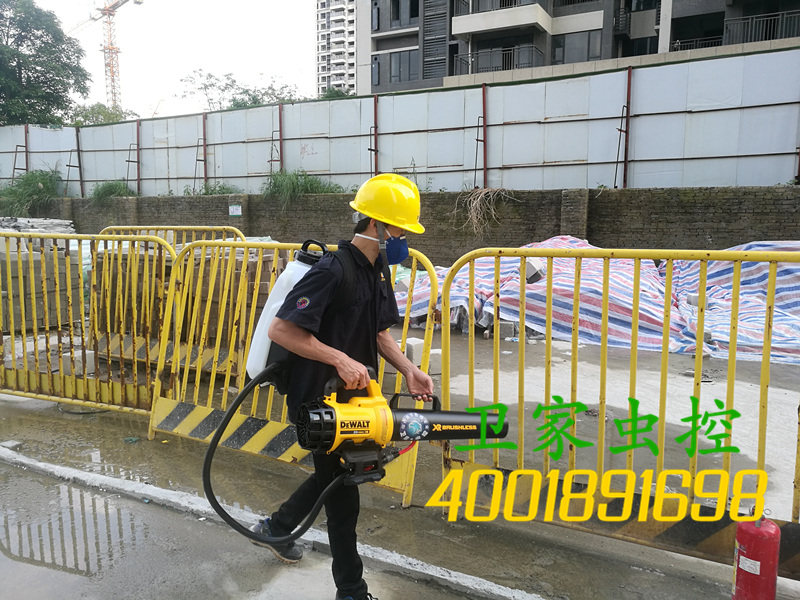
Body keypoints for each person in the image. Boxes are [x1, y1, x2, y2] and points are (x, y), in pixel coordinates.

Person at [250, 173, 434, 600]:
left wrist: (409, 369)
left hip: (353, 400)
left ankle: (275, 529)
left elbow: (377, 333)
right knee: (343, 499)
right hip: (319, 400)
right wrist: (338, 357)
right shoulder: (332, 270)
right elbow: (282, 330)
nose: (403, 238)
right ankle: (351, 591)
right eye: (400, 229)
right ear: (376, 225)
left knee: (335, 478)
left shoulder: (377, 270)